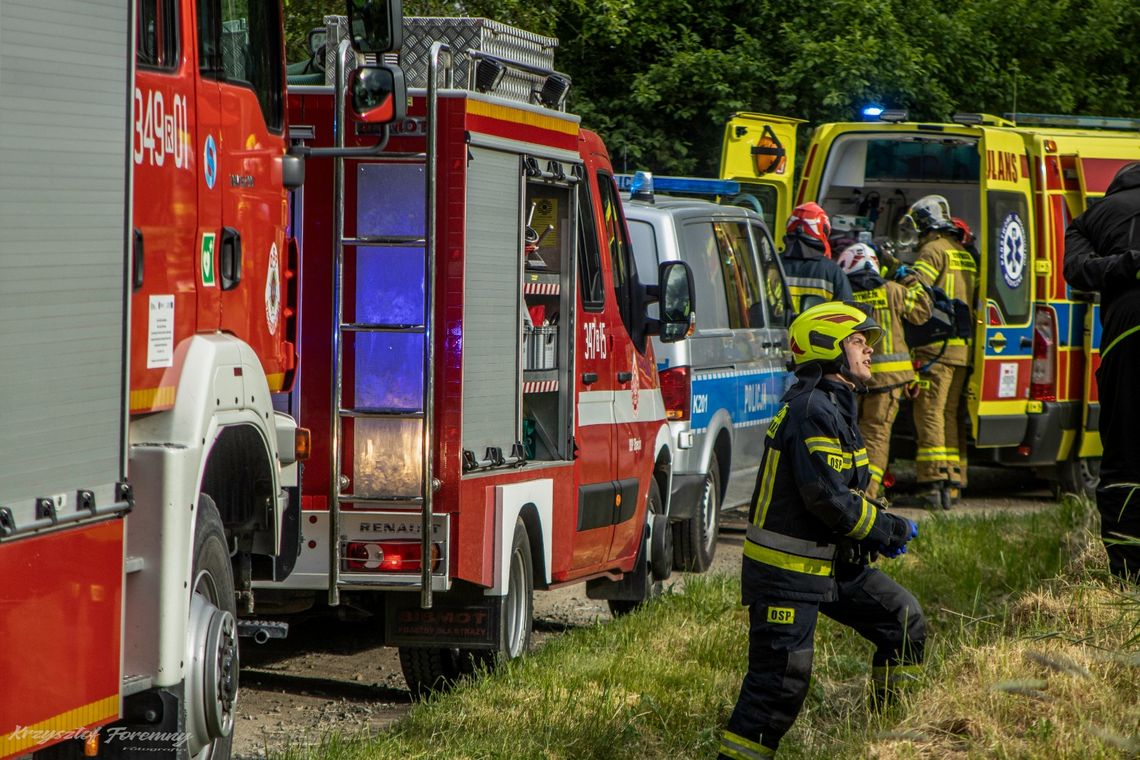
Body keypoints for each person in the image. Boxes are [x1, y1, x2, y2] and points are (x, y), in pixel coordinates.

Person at [719, 302, 924, 760]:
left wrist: (874, 525)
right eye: (858, 342)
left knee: (903, 621)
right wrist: (887, 530)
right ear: (827, 347)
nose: (870, 351)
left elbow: (847, 492)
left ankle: (894, 738)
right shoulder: (812, 409)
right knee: (778, 691)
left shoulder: (834, 404)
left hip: (829, 565)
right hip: (787, 576)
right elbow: (830, 501)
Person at [1063, 162, 1140, 584]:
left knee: (1124, 452)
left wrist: (1125, 264)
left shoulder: (1092, 216)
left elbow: (1076, 271)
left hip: (1126, 327)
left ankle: (1128, 570)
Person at [898, 195, 976, 510]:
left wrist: (897, 274)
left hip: (935, 349)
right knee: (950, 414)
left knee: (929, 412)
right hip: (961, 351)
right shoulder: (964, 254)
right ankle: (953, 482)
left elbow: (916, 292)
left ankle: (931, 483)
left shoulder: (932, 251)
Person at [837, 243, 932, 500]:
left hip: (853, 379)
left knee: (849, 434)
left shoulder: (845, 297)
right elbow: (924, 309)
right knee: (876, 437)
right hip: (890, 381)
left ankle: (847, 490)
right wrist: (906, 274)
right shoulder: (893, 291)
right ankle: (867, 494)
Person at [781, 202, 853, 312]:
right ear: (823, 229)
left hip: (778, 329)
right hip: (816, 329)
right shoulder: (833, 272)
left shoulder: (772, 264)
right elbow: (847, 314)